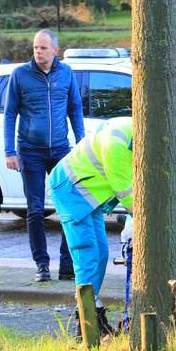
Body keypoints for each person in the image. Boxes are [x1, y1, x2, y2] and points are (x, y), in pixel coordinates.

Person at [4, 29, 84, 282]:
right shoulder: (20, 75)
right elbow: (9, 114)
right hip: (30, 150)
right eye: (36, 48)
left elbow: (75, 109)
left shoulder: (66, 73)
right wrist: (10, 151)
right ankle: (42, 265)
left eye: (43, 48)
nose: (38, 52)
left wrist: (80, 144)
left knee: (69, 207)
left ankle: (67, 264)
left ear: (55, 50)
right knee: (36, 210)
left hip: (61, 149)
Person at [48, 116, 132, 337]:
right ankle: (84, 325)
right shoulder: (118, 145)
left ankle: (93, 313)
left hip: (89, 194)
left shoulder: (129, 129)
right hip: (71, 191)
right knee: (87, 255)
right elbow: (125, 192)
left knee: (101, 254)